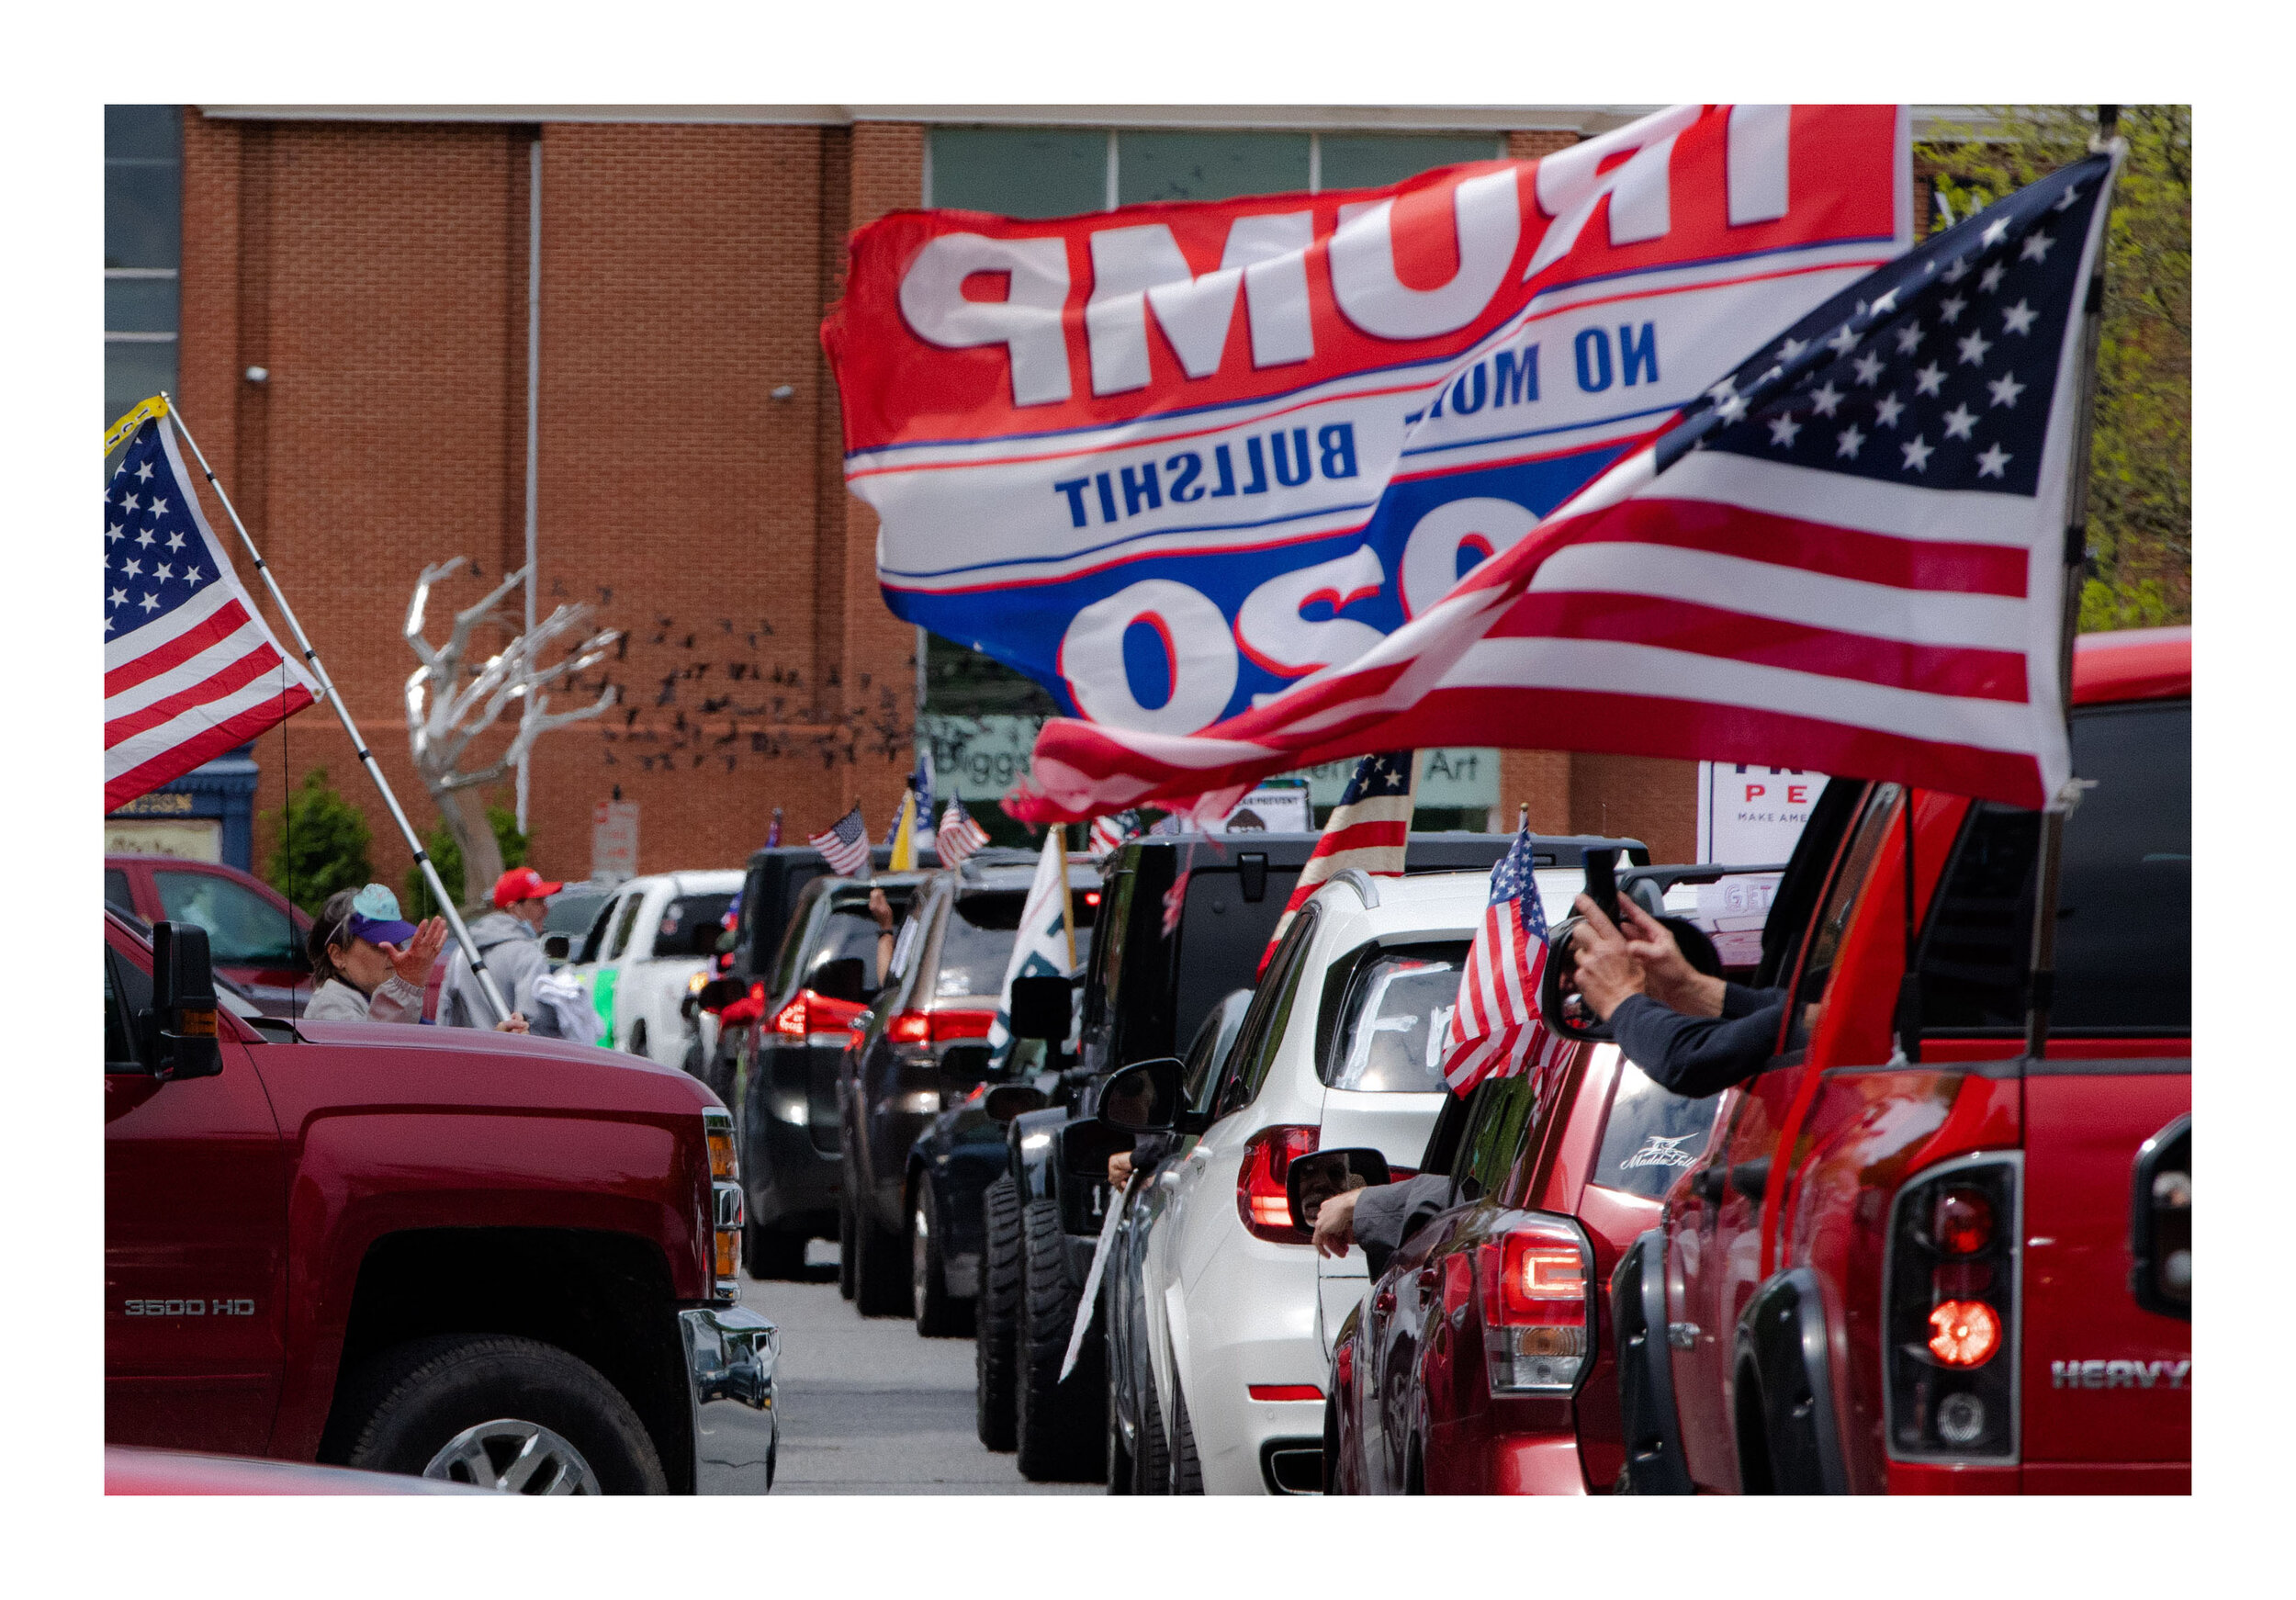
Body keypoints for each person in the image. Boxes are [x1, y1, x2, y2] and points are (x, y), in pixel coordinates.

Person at [304, 885, 501, 1028]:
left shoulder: (366, 996)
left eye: (397, 942)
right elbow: (380, 1053)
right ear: (337, 956)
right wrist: (407, 985)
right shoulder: (329, 1009)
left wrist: (495, 1038)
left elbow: (432, 1039)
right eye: (380, 945)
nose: (396, 953)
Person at [443, 867, 558, 1034]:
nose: (546, 909)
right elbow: (537, 1025)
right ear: (513, 908)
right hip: (513, 1056)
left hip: (468, 1055)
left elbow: (445, 1016)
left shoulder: (461, 953)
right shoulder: (527, 954)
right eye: (538, 901)